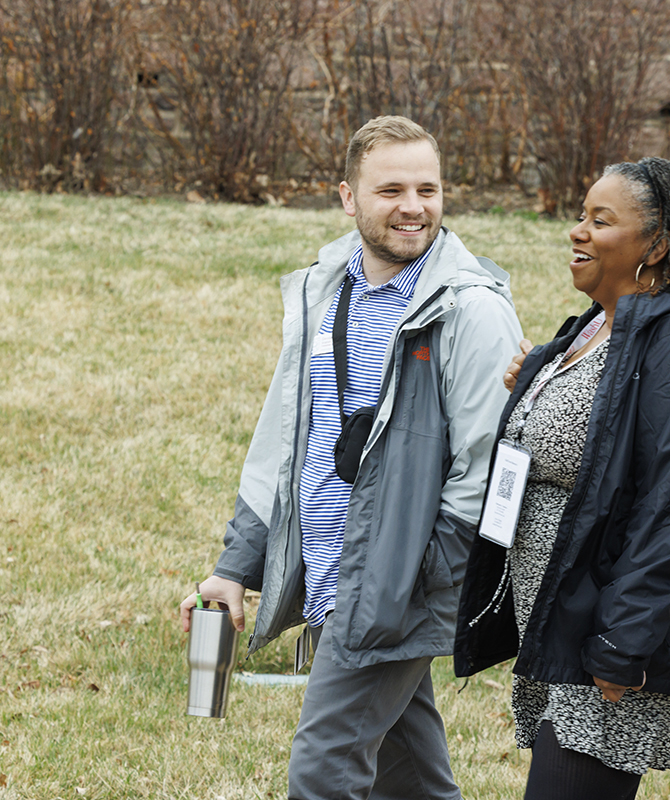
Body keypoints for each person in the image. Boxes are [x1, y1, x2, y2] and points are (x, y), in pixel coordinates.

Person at [177, 115, 522, 800]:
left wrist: (422, 577)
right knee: (411, 780)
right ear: (347, 197)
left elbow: (493, 461)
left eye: (428, 188)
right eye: (391, 189)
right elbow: (285, 437)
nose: (414, 207)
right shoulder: (322, 291)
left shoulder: (469, 310)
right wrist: (234, 567)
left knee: (322, 773)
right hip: (339, 570)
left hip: (394, 583)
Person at [454, 157, 670, 800]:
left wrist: (623, 642)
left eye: (600, 220)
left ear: (658, 245)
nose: (577, 232)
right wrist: (535, 376)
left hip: (610, 636)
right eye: (581, 216)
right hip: (562, 618)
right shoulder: (590, 328)